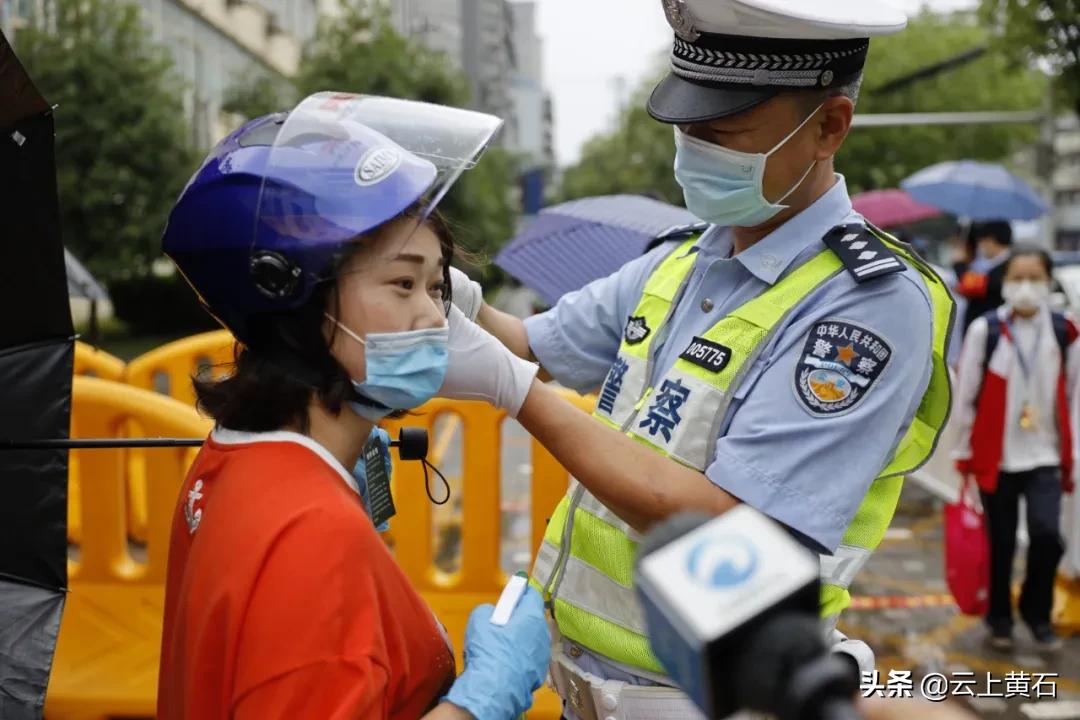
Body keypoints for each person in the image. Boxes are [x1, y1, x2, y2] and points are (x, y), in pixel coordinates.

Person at [434, 0, 955, 716]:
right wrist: (448, 297)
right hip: (578, 679)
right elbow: (532, 345)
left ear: (829, 126)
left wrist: (520, 395)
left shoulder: (867, 306)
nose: (692, 151)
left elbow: (726, 521)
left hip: (710, 697)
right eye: (686, 129)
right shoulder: (683, 258)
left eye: (723, 133)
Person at [156, 93, 550, 720]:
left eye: (436, 285)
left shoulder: (232, 458)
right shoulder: (312, 533)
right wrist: (483, 700)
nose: (434, 316)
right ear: (298, 300)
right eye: (403, 283)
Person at [953, 245, 1077, 651]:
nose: (1025, 287)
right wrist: (962, 449)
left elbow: (1075, 395)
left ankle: (1036, 612)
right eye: (1017, 278)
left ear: (1047, 282)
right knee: (1001, 541)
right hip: (996, 456)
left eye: (1034, 278)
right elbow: (968, 392)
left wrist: (1071, 454)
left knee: (1046, 535)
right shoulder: (985, 330)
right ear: (1005, 283)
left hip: (1045, 454)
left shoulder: (1065, 331)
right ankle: (1000, 618)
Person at [954, 220, 1013, 332]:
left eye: (981, 241)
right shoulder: (996, 265)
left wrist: (959, 265)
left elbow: (971, 285)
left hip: (991, 329)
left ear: (990, 240)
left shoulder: (1006, 266)